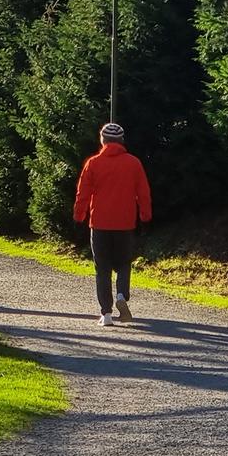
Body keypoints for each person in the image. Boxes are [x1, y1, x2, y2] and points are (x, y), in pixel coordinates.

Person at [73, 122, 153, 326]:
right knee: (124, 263)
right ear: (122, 140)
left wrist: (79, 215)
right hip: (125, 223)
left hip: (99, 222)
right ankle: (121, 296)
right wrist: (145, 215)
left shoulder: (93, 163)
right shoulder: (133, 163)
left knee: (102, 268)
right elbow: (143, 192)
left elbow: (83, 193)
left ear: (103, 140)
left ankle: (106, 313)